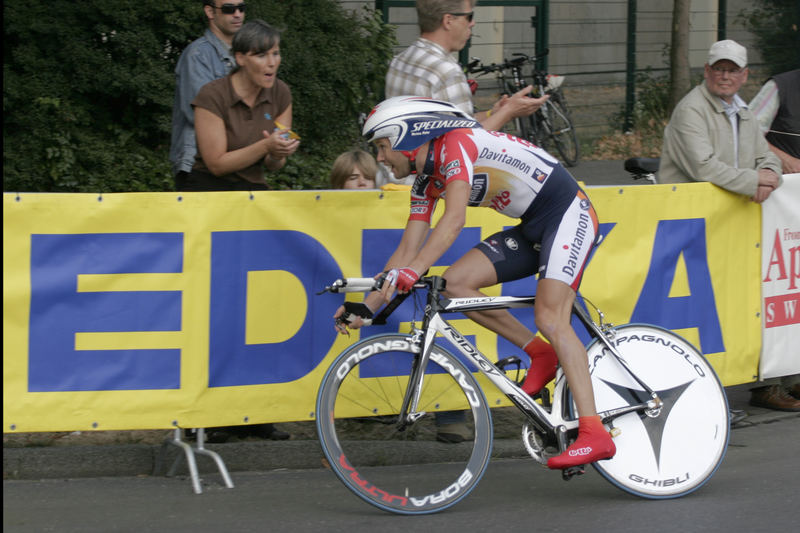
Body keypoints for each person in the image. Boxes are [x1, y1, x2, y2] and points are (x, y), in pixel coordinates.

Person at [334, 96, 616, 469]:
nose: (381, 158)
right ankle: (540, 353)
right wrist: (366, 306)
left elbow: (453, 222)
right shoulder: (424, 182)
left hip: (567, 213)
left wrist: (413, 271)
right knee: (453, 283)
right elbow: (407, 248)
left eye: (383, 147)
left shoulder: (455, 146)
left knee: (551, 317)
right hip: (532, 227)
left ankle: (594, 432)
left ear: (406, 137)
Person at [385, 0, 549, 133]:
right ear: (448, 21)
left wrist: (494, 113)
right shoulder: (447, 71)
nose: (472, 23)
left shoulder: (401, 59)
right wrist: (509, 112)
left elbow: (451, 125)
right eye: (469, 16)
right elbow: (466, 142)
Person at [659, 39, 783, 204]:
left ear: (744, 75)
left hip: (727, 213)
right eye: (719, 69)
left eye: (733, 70)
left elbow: (766, 155)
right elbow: (703, 168)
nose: (725, 76)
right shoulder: (690, 110)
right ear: (707, 71)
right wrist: (755, 181)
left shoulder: (745, 112)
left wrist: (769, 177)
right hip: (687, 213)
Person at [186, 19, 300, 191]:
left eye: (275, 53)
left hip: (253, 188)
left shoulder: (281, 92)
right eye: (261, 55)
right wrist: (266, 146)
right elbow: (217, 166)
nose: (272, 62)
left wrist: (277, 153)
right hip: (208, 188)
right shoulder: (212, 95)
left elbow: (273, 165)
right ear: (240, 58)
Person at [747, 69, 800, 411]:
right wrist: (788, 162)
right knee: (772, 289)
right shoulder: (781, 87)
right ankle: (765, 385)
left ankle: (793, 376)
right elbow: (747, 131)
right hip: (777, 205)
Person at [170, 1, 246, 190]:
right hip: (199, 168)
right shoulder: (197, 55)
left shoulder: (246, 56)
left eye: (241, 8)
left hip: (237, 166)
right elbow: (202, 115)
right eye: (229, 9)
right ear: (210, 12)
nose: (237, 14)